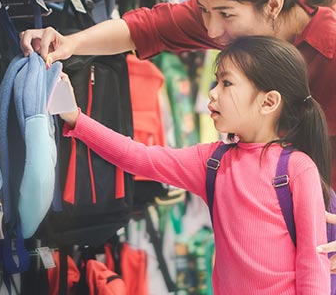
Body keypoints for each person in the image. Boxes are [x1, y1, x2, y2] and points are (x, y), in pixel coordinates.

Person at [19, 0, 336, 191]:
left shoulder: (329, 48)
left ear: (273, 5)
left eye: (225, 14)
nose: (211, 31)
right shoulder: (230, 19)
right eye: (204, 10)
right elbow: (146, 28)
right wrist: (70, 43)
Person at [58, 35, 331, 294]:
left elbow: (312, 264)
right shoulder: (213, 162)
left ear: (268, 102)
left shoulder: (297, 169)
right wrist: (76, 119)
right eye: (215, 82)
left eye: (226, 83)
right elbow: (138, 157)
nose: (212, 94)